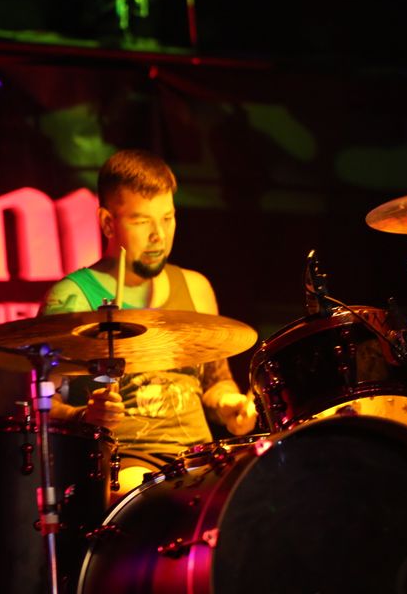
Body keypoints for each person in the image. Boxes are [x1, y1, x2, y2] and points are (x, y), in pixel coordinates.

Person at [40, 149, 257, 493]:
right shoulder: (72, 297)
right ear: (108, 222)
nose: (159, 235)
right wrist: (82, 416)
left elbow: (216, 381)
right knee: (150, 496)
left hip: (200, 456)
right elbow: (42, 402)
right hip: (125, 461)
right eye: (142, 221)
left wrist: (229, 404)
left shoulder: (196, 288)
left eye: (168, 218)